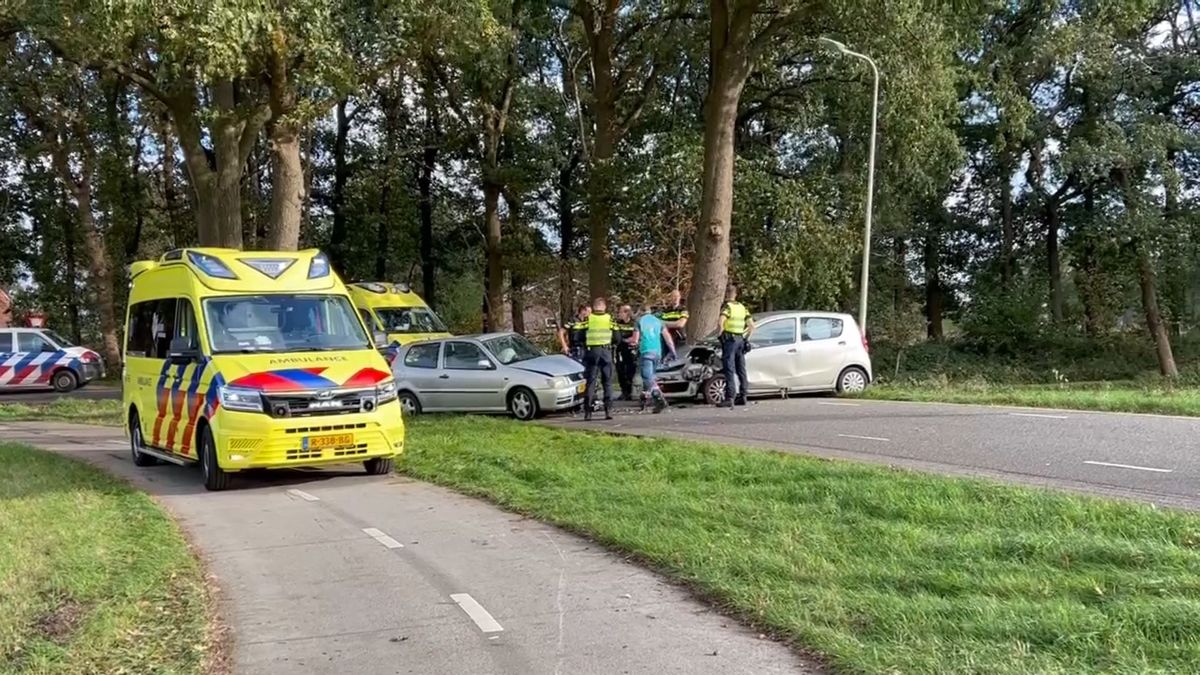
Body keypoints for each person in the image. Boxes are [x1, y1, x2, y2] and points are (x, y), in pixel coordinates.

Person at [718, 284, 754, 408]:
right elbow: (751, 326)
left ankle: (730, 397)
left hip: (730, 340)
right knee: (741, 368)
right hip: (740, 340)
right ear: (736, 294)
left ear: (726, 294)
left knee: (729, 368)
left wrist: (721, 331)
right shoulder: (742, 307)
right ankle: (743, 395)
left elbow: (721, 319)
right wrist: (746, 339)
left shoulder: (727, 307)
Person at [637, 307, 677, 413]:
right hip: (657, 352)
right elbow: (667, 337)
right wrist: (673, 351)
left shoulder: (639, 321)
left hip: (646, 351)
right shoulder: (658, 321)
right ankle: (648, 401)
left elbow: (635, 339)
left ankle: (659, 399)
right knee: (651, 377)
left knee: (647, 378)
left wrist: (626, 341)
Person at [582, 297, 615, 420]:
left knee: (590, 382)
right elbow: (617, 336)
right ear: (604, 307)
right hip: (605, 351)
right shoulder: (609, 319)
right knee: (607, 382)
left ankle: (588, 413)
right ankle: (608, 411)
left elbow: (579, 334)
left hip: (592, 351)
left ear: (594, 307)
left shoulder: (588, 319)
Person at [613, 304, 639, 400]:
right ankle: (624, 391)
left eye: (620, 312)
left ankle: (630, 391)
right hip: (620, 350)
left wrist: (624, 340)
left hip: (631, 350)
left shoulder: (634, 323)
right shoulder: (617, 323)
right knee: (620, 370)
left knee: (630, 370)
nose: (619, 314)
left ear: (627, 313)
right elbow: (615, 337)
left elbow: (635, 338)